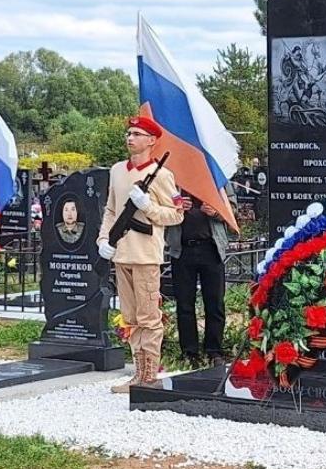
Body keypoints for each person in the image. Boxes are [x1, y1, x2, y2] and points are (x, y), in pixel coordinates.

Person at [97, 116, 184, 393]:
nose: (130, 138)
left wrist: (147, 207)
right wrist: (103, 239)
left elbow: (176, 214)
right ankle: (138, 373)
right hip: (121, 254)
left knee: (149, 318)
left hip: (146, 256)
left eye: (136, 134)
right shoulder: (117, 171)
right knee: (130, 318)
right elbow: (111, 210)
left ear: (151, 141)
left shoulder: (163, 175)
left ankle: (149, 376)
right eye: (128, 133)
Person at [166, 185, 236, 368]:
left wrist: (215, 212)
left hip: (211, 248)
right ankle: (190, 353)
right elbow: (159, 208)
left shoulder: (215, 176)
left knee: (215, 303)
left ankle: (214, 351)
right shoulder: (173, 178)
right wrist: (176, 207)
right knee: (184, 304)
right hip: (182, 250)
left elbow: (232, 210)